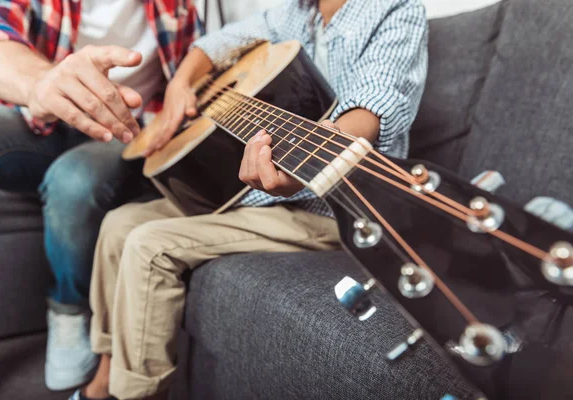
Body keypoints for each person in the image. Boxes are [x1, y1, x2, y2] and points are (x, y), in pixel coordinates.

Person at [79, 0, 428, 399]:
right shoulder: (294, 13)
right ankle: (104, 376)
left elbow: (374, 106)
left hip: (334, 210)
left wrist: (305, 163)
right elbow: (217, 44)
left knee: (149, 245)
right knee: (118, 224)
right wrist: (180, 85)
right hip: (264, 201)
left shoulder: (395, 9)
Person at [0, 0, 202, 391]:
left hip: (125, 134)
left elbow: (198, 65)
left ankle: (68, 310)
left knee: (75, 179)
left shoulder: (178, 9)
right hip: (35, 118)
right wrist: (41, 84)